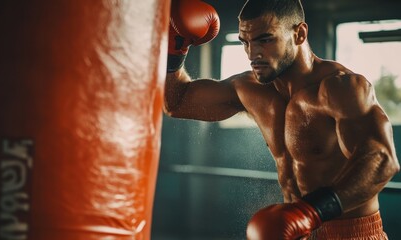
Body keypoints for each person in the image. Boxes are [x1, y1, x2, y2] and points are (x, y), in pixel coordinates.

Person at [164, 0, 400, 239]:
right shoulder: (250, 89)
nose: (252, 53)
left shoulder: (340, 88)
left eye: (265, 40)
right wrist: (175, 51)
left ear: (299, 34)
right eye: (245, 42)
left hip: (350, 233)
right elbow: (176, 103)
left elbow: (382, 160)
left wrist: (309, 213)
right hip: (295, 231)